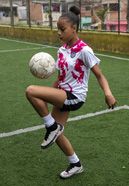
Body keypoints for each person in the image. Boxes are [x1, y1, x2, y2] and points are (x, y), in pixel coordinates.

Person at [25, 6, 116, 179]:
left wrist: (108, 93)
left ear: (74, 28)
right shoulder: (62, 50)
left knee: (30, 91)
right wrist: (50, 92)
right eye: (57, 29)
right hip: (62, 93)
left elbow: (99, 75)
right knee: (57, 135)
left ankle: (51, 127)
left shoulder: (84, 50)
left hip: (75, 97)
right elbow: (61, 78)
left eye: (62, 29)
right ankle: (75, 163)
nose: (59, 33)